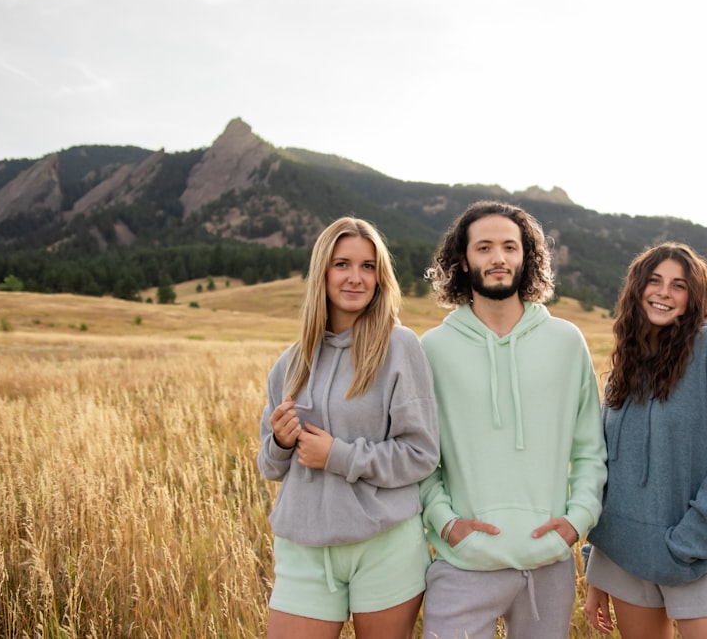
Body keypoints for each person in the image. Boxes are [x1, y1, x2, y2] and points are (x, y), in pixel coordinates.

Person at [418, 200, 608, 639]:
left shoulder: (565, 341)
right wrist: (446, 522)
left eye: (510, 246)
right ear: (463, 261)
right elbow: (420, 454)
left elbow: (589, 448)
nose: (499, 258)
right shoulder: (433, 349)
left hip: (548, 564)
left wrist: (577, 520)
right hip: (463, 563)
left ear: (527, 257)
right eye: (484, 247)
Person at [256, 217, 440, 639]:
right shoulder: (290, 363)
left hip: (384, 544)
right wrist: (281, 442)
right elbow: (269, 466)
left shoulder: (399, 347)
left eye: (368, 267)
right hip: (304, 548)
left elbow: (421, 454)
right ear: (322, 271)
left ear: (381, 277)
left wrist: (338, 456)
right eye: (343, 264)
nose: (356, 278)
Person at [582, 242, 707, 639]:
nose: (664, 292)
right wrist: (598, 566)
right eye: (655, 281)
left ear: (692, 297)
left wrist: (689, 542)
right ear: (637, 289)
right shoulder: (623, 366)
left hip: (696, 554)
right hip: (624, 557)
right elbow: (606, 469)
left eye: (678, 285)